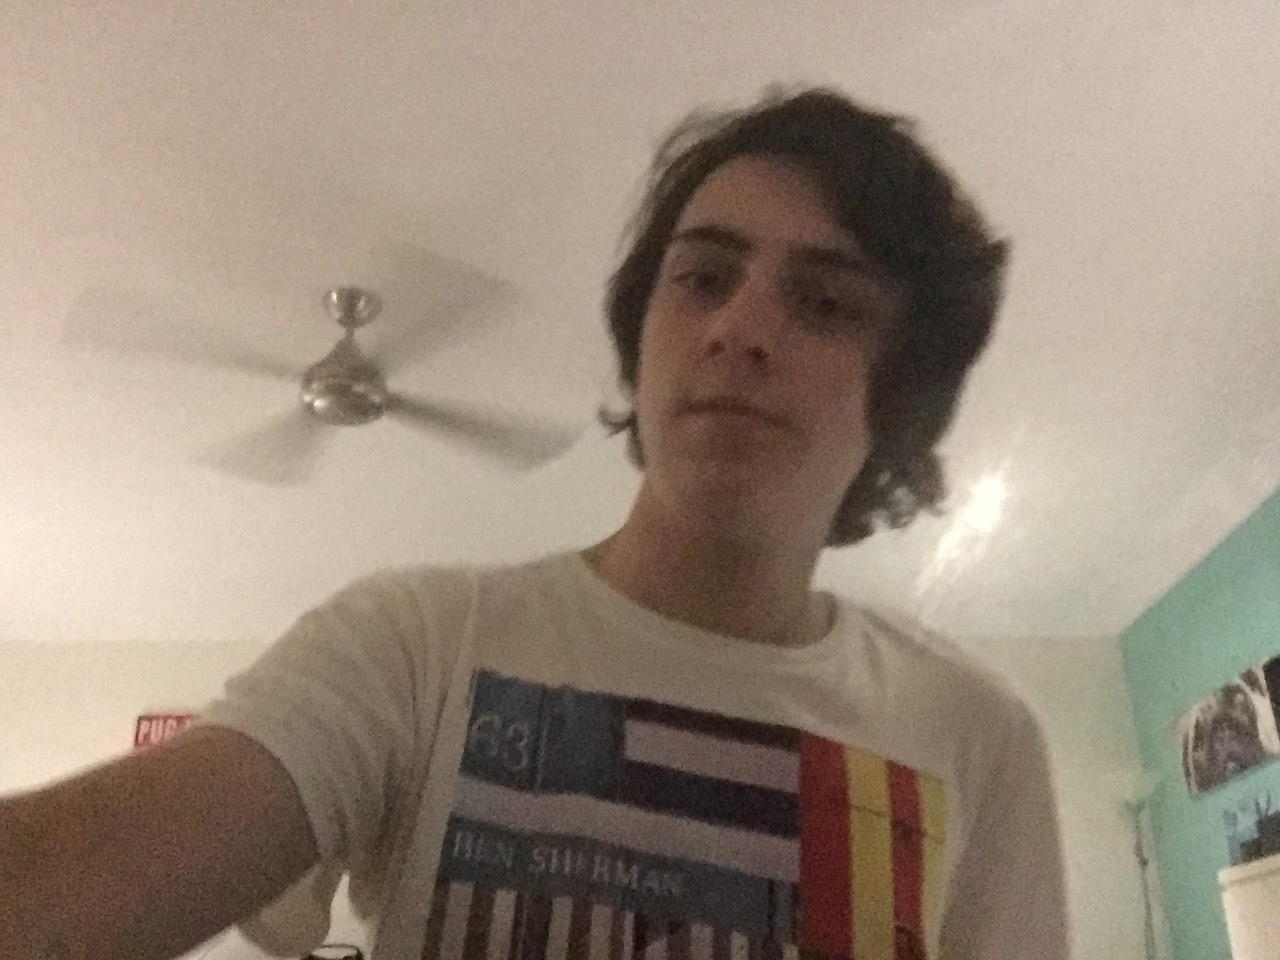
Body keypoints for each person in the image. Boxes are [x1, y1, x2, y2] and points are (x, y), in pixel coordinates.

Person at [1, 87, 1069, 960]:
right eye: (702, 278)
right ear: (639, 344)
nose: (738, 328)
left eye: (824, 303)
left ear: (901, 392)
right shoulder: (414, 646)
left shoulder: (974, 734)